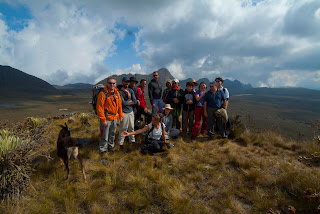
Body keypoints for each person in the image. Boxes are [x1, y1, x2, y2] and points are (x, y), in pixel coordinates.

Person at [96, 76, 123, 154]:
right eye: (110, 83)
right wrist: (103, 119)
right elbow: (99, 107)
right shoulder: (103, 93)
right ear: (107, 84)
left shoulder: (116, 93)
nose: (112, 85)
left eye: (113, 83)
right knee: (104, 135)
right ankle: (103, 150)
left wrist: (120, 116)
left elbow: (119, 105)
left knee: (112, 134)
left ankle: (111, 147)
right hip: (106, 118)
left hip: (114, 118)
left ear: (115, 84)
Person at [118, 77, 138, 149]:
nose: (127, 83)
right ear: (122, 82)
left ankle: (132, 141)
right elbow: (122, 103)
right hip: (123, 112)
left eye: (128, 82)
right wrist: (128, 102)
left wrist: (129, 103)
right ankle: (120, 143)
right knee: (123, 128)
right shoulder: (120, 92)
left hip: (130, 112)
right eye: (125, 82)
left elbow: (135, 101)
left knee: (131, 127)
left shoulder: (131, 90)